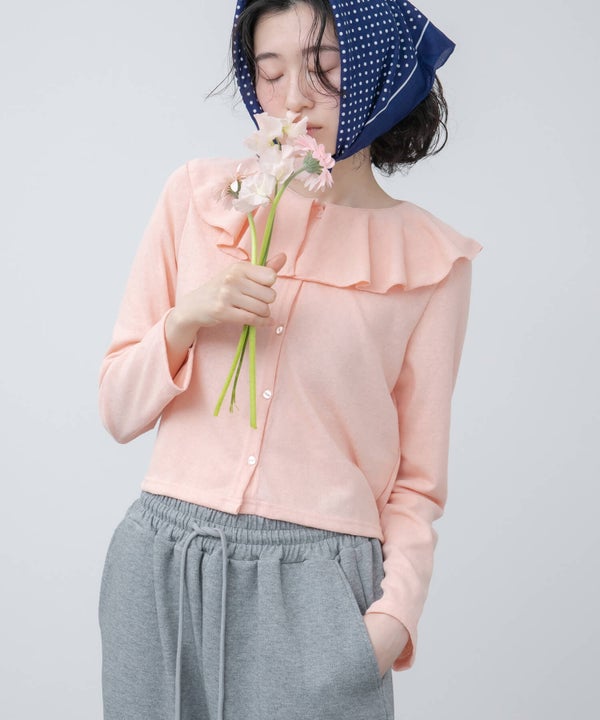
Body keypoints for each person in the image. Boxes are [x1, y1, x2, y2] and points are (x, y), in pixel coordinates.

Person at [97, 1, 483, 719]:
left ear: (377, 72)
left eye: (323, 70)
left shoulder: (432, 262)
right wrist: (188, 318)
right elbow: (118, 409)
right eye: (269, 75)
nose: (294, 100)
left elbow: (418, 483)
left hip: (318, 588)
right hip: (160, 564)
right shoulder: (198, 199)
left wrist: (392, 621)